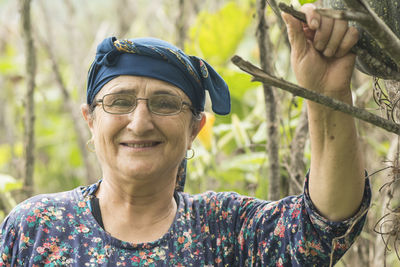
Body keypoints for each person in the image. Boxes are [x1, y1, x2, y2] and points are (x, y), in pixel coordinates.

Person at [0, 4, 370, 266]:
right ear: (90, 121)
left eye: (164, 104)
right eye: (120, 101)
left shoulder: (228, 231)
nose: (140, 121)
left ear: (195, 128)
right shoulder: (36, 227)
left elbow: (324, 224)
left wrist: (328, 96)